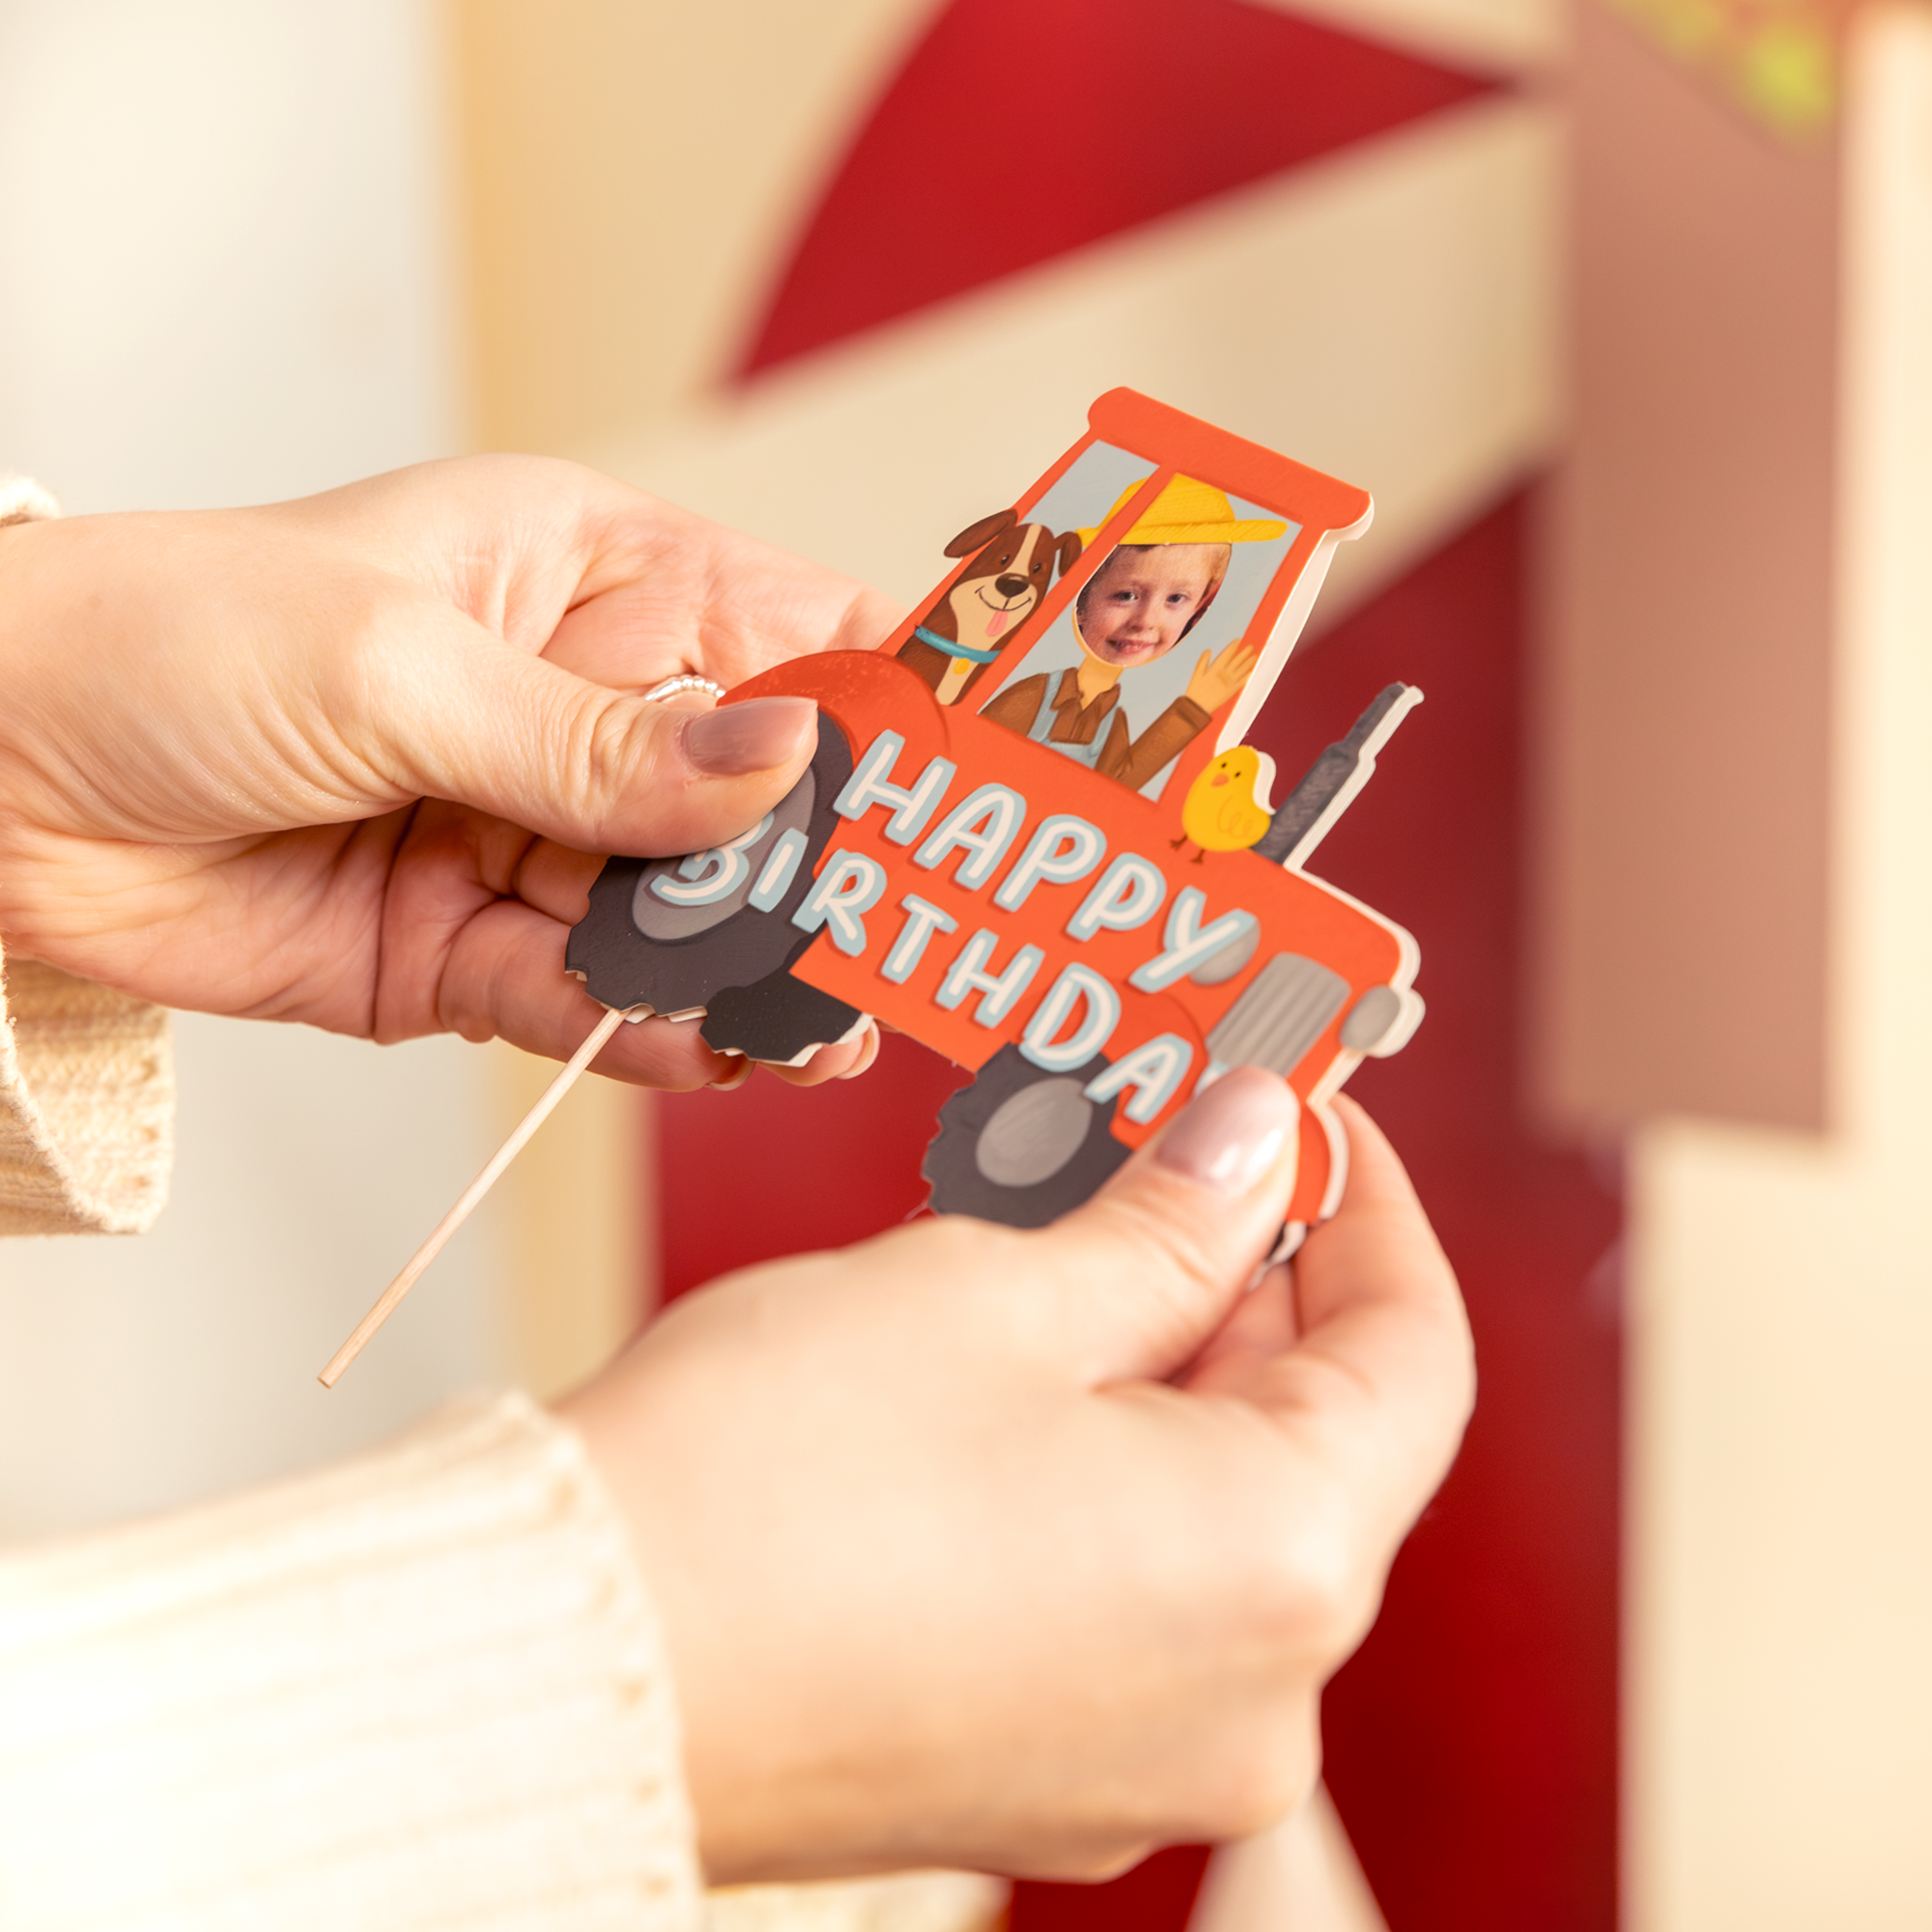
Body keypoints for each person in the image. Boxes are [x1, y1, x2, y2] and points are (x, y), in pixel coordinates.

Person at [0, 459, 1474, 1929]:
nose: (1139, 619)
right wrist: (646, 1674)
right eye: (1120, 586)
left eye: (1172, 605)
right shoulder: (930, 709)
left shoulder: (1157, 766)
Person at [981, 476, 1272, 792]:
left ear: (1199, 609)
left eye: (1175, 599)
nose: (1145, 621)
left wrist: (1193, 709)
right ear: (1082, 602)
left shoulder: (1112, 721)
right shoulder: (1032, 696)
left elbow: (1119, 786)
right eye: (1126, 596)